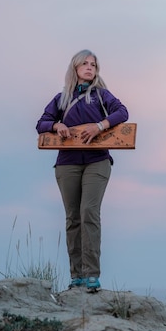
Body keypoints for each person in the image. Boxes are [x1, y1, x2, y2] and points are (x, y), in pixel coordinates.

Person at [36, 49, 129, 291]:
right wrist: (57, 125)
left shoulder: (101, 95)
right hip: (67, 163)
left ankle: (91, 275)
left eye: (93, 65)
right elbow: (41, 123)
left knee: (89, 212)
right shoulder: (61, 98)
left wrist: (100, 126)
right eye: (85, 64)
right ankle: (76, 276)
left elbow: (122, 112)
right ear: (75, 68)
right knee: (72, 217)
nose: (89, 68)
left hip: (97, 161)